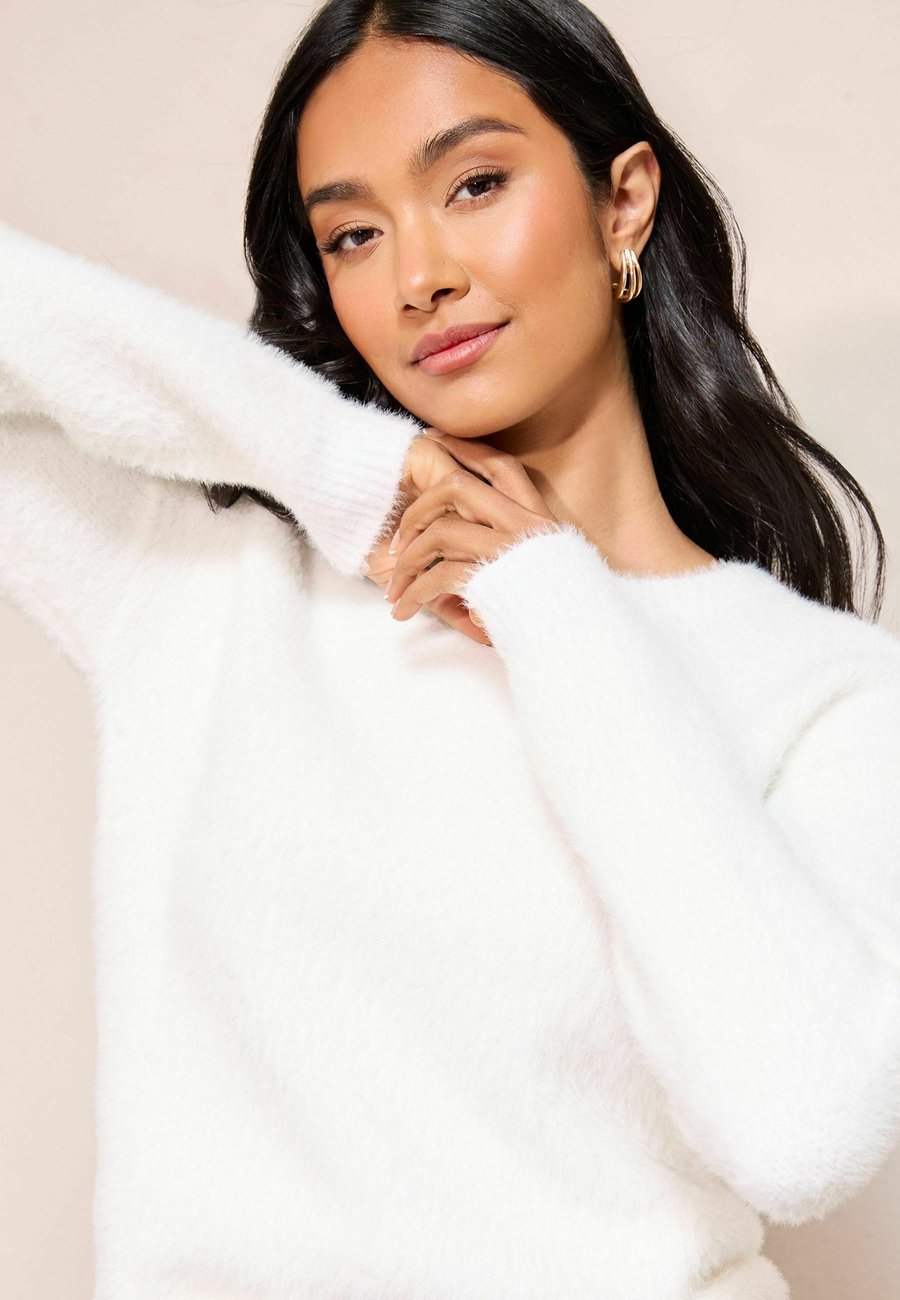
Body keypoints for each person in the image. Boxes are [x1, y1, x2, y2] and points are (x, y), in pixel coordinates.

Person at [2, 0, 899, 1296]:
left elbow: (800, 1129)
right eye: (354, 234)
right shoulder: (200, 585)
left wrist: (554, 602)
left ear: (623, 201)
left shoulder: (828, 694)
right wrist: (347, 467)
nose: (417, 275)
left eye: (474, 183)